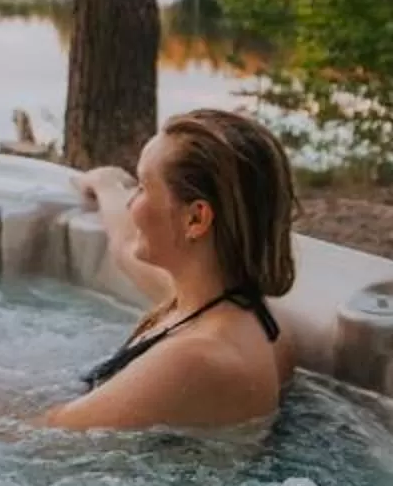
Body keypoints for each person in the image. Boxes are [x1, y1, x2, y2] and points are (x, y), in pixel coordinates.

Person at [42, 108, 301, 432]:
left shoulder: (196, 359)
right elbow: (125, 248)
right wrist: (106, 183)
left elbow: (48, 432)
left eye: (142, 187)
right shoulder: (245, 314)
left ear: (195, 219)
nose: (130, 203)